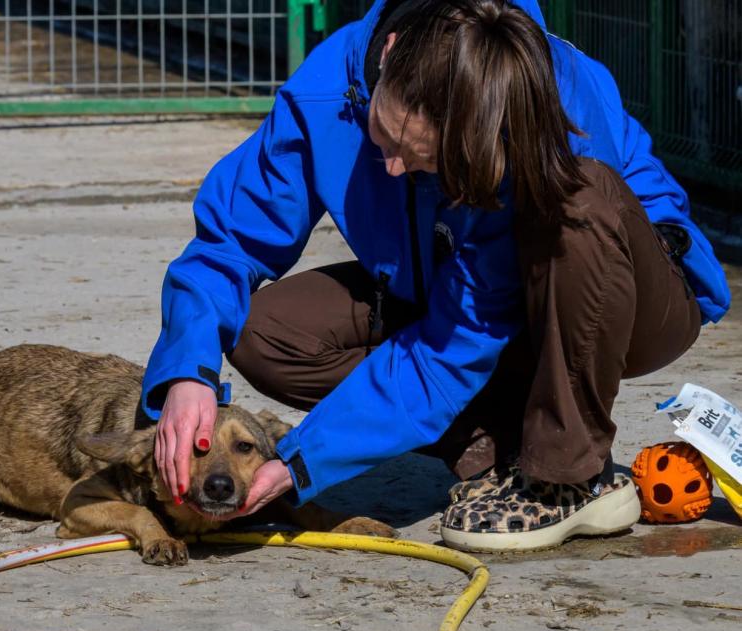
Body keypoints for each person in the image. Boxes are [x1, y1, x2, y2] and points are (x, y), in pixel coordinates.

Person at [140, 0, 731, 551]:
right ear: (391, 52)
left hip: (626, 298)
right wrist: (189, 374)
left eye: (425, 160)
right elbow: (230, 240)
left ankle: (570, 478)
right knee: (263, 332)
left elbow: (449, 350)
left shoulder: (541, 96)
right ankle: (497, 446)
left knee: (575, 203)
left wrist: (301, 460)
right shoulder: (327, 88)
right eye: (387, 139)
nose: (393, 167)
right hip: (455, 295)